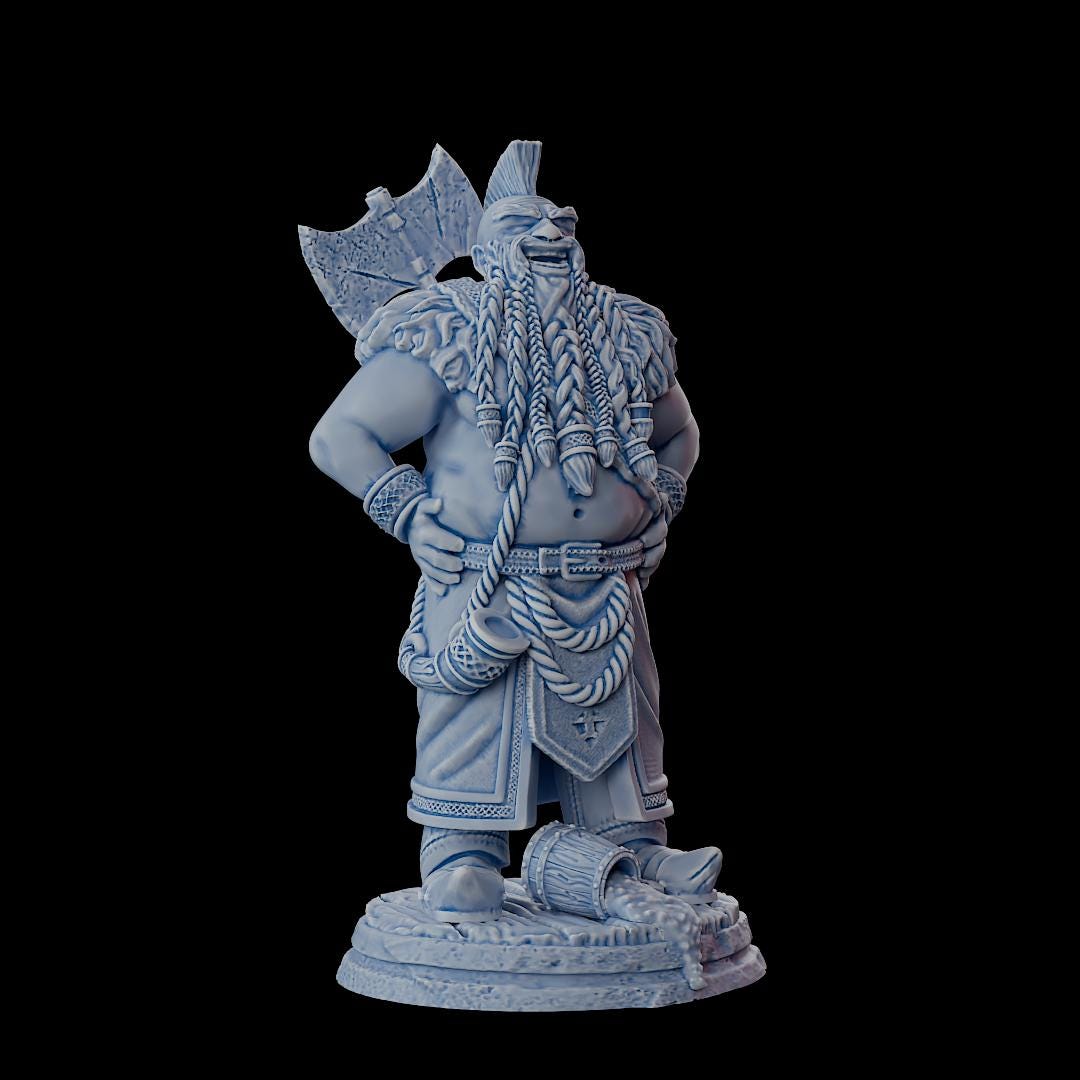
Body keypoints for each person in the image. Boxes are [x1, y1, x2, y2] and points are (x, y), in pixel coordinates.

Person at [308, 141, 720, 923]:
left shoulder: (624, 332)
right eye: (526, 226)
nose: (552, 235)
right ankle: (461, 852)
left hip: (606, 581)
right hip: (489, 583)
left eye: (562, 224)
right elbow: (340, 436)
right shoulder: (451, 330)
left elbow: (680, 434)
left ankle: (632, 849)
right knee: (475, 722)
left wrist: (662, 498)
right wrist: (404, 508)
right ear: (488, 248)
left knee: (619, 732)